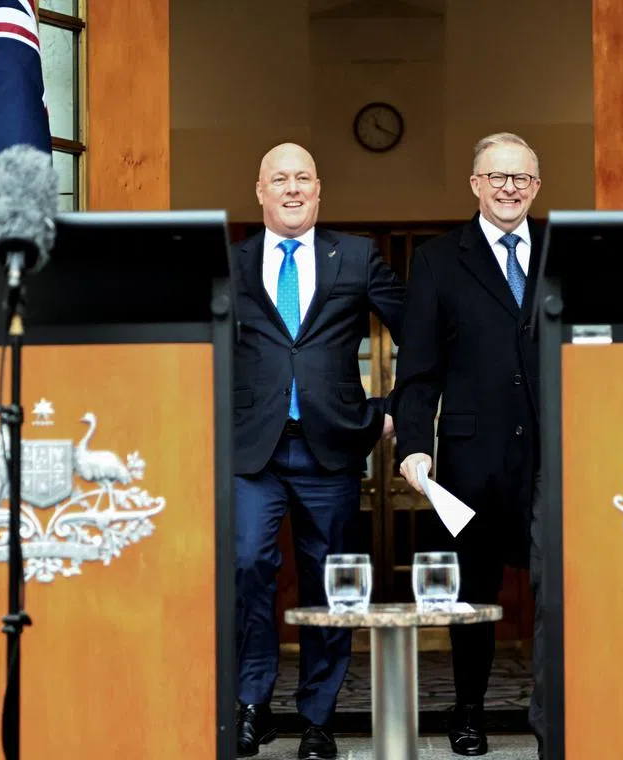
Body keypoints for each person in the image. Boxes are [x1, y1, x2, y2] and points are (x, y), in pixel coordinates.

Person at [231, 142, 406, 759]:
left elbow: (417, 329)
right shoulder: (232, 263)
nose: (292, 188)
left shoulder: (354, 255)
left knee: (330, 582)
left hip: (331, 448)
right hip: (252, 452)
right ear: (260, 191)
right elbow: (205, 348)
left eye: (303, 176)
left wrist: (392, 413)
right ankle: (252, 704)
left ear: (319, 188)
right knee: (248, 568)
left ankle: (318, 718)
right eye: (279, 178)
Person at [392, 132, 546, 758]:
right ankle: (469, 711)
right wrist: (413, 444)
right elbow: (419, 369)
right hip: (469, 458)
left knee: (558, 587)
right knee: (473, 594)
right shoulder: (435, 260)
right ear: (475, 184)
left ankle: (559, 710)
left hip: (552, 454)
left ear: (536, 187)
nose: (509, 187)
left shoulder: (563, 252)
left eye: (521, 178)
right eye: (497, 177)